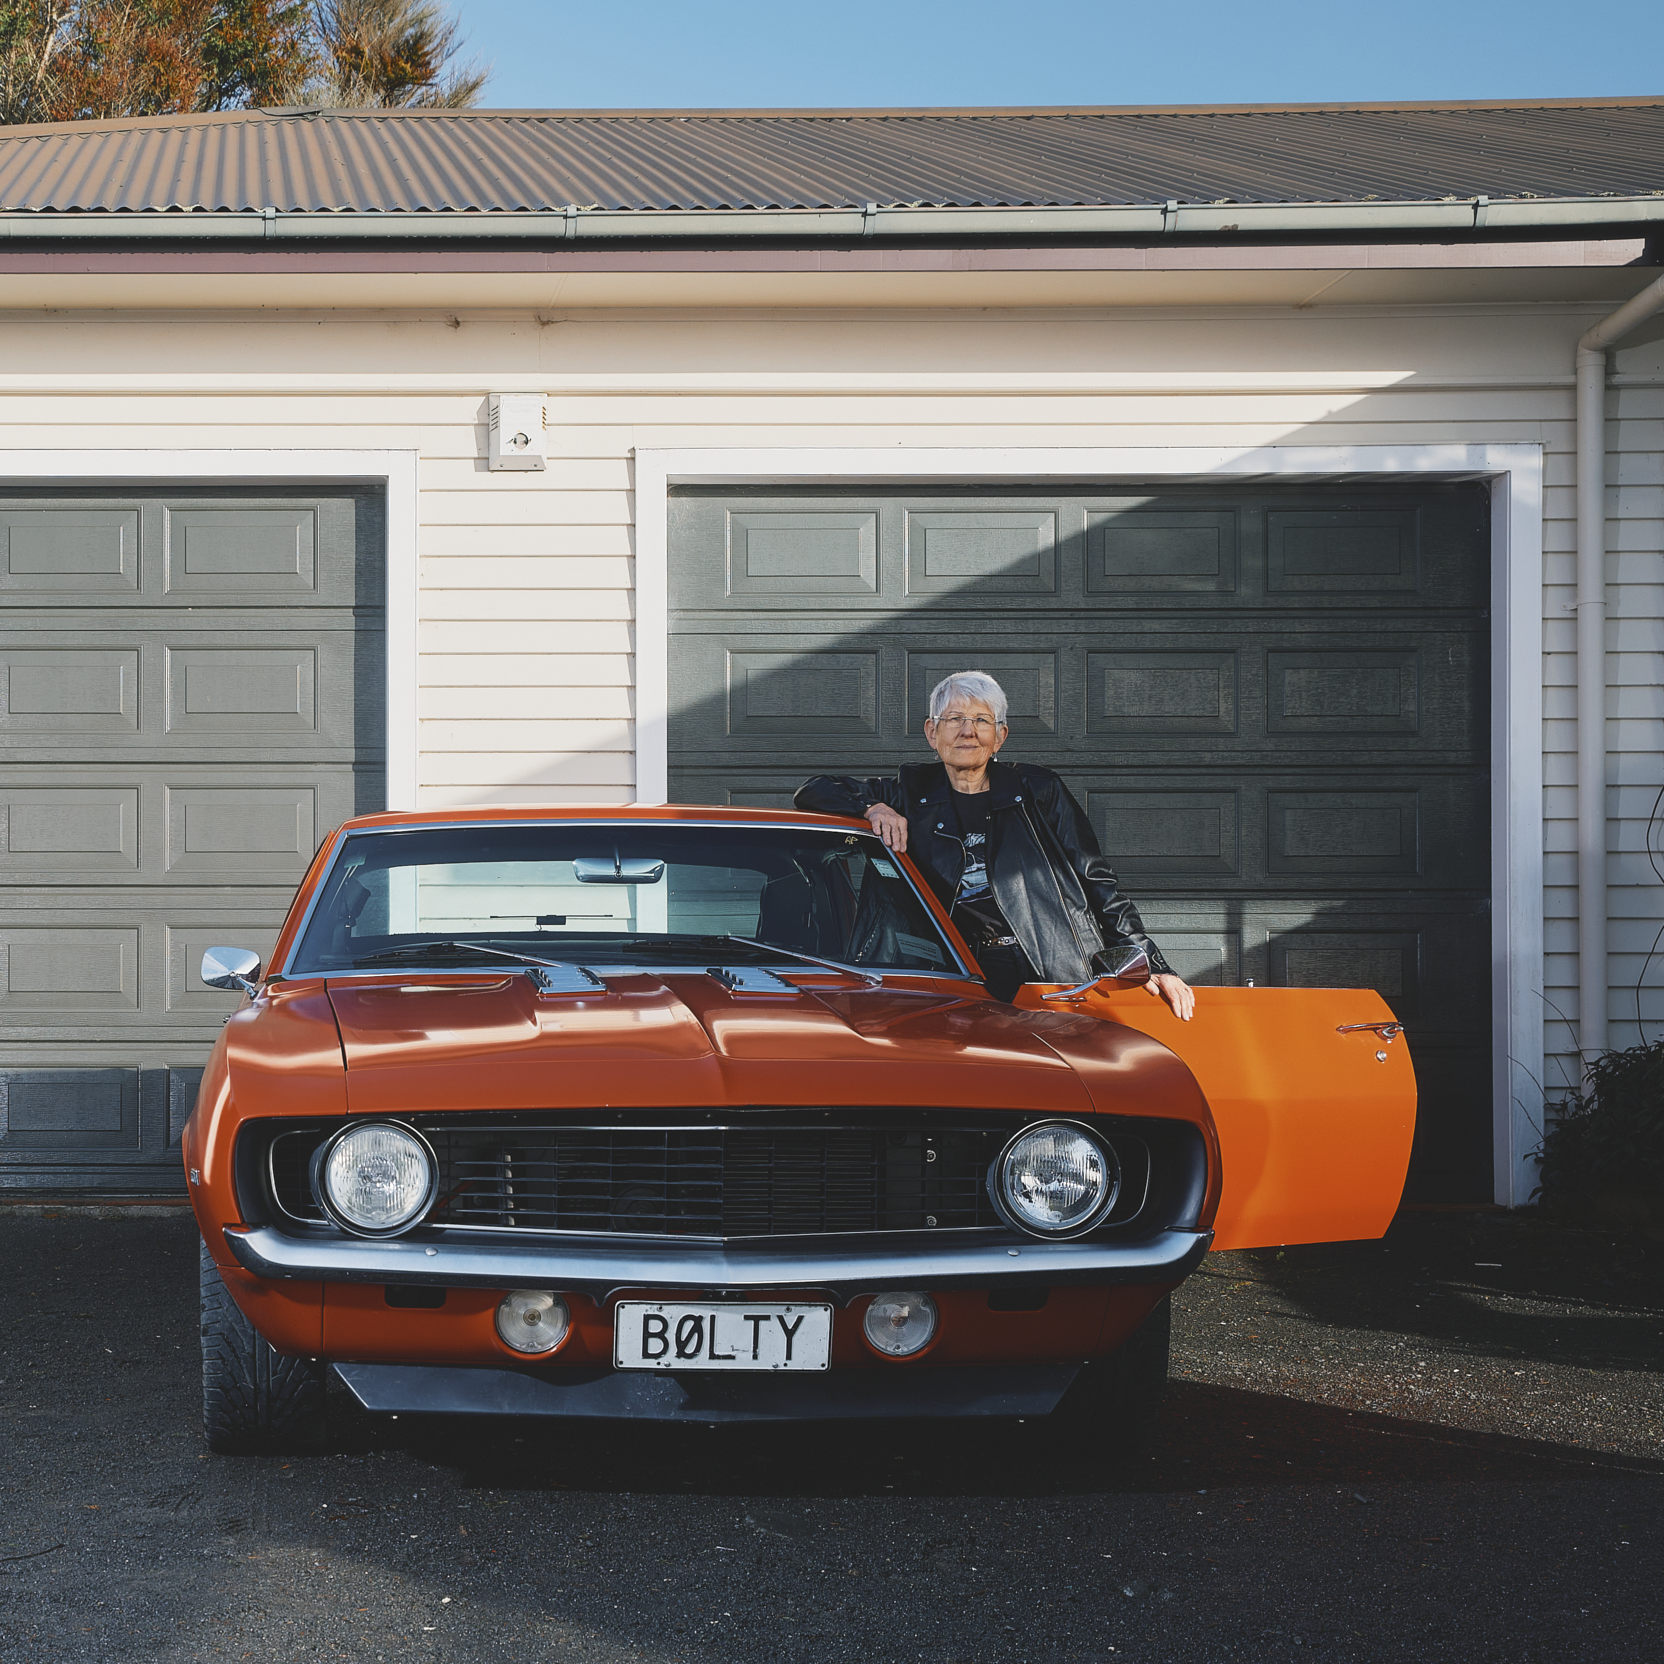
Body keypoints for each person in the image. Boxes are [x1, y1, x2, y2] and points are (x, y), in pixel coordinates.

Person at [794, 670, 1195, 1018]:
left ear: (999, 736)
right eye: (954, 719)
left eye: (981, 720)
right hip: (950, 971)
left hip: (1045, 965)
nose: (967, 731)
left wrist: (1151, 961)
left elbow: (1096, 878)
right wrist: (872, 807)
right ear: (932, 733)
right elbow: (813, 790)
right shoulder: (907, 792)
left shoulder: (1039, 790)